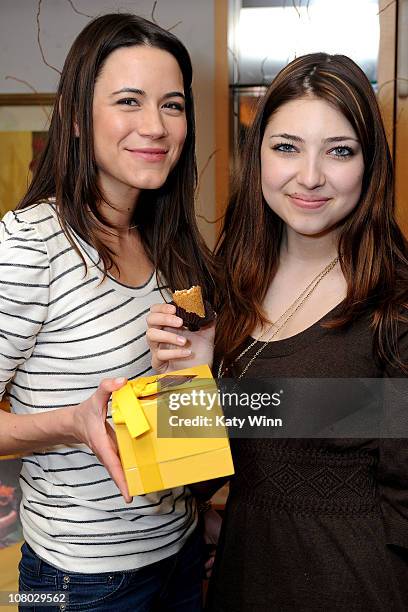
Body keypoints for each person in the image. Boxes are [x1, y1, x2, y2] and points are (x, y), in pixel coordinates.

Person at [147, 53, 408, 611]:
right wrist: (187, 376)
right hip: (244, 584)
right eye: (286, 146)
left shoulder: (395, 307)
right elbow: (184, 482)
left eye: (340, 150)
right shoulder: (226, 292)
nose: (310, 176)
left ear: (370, 164)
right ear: (257, 154)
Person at [0, 12, 215, 611]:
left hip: (180, 551)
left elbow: (177, 425)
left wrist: (196, 378)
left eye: (172, 105)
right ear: (75, 118)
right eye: (128, 101)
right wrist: (71, 421)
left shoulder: (171, 241)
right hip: (81, 584)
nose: (155, 126)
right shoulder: (28, 244)